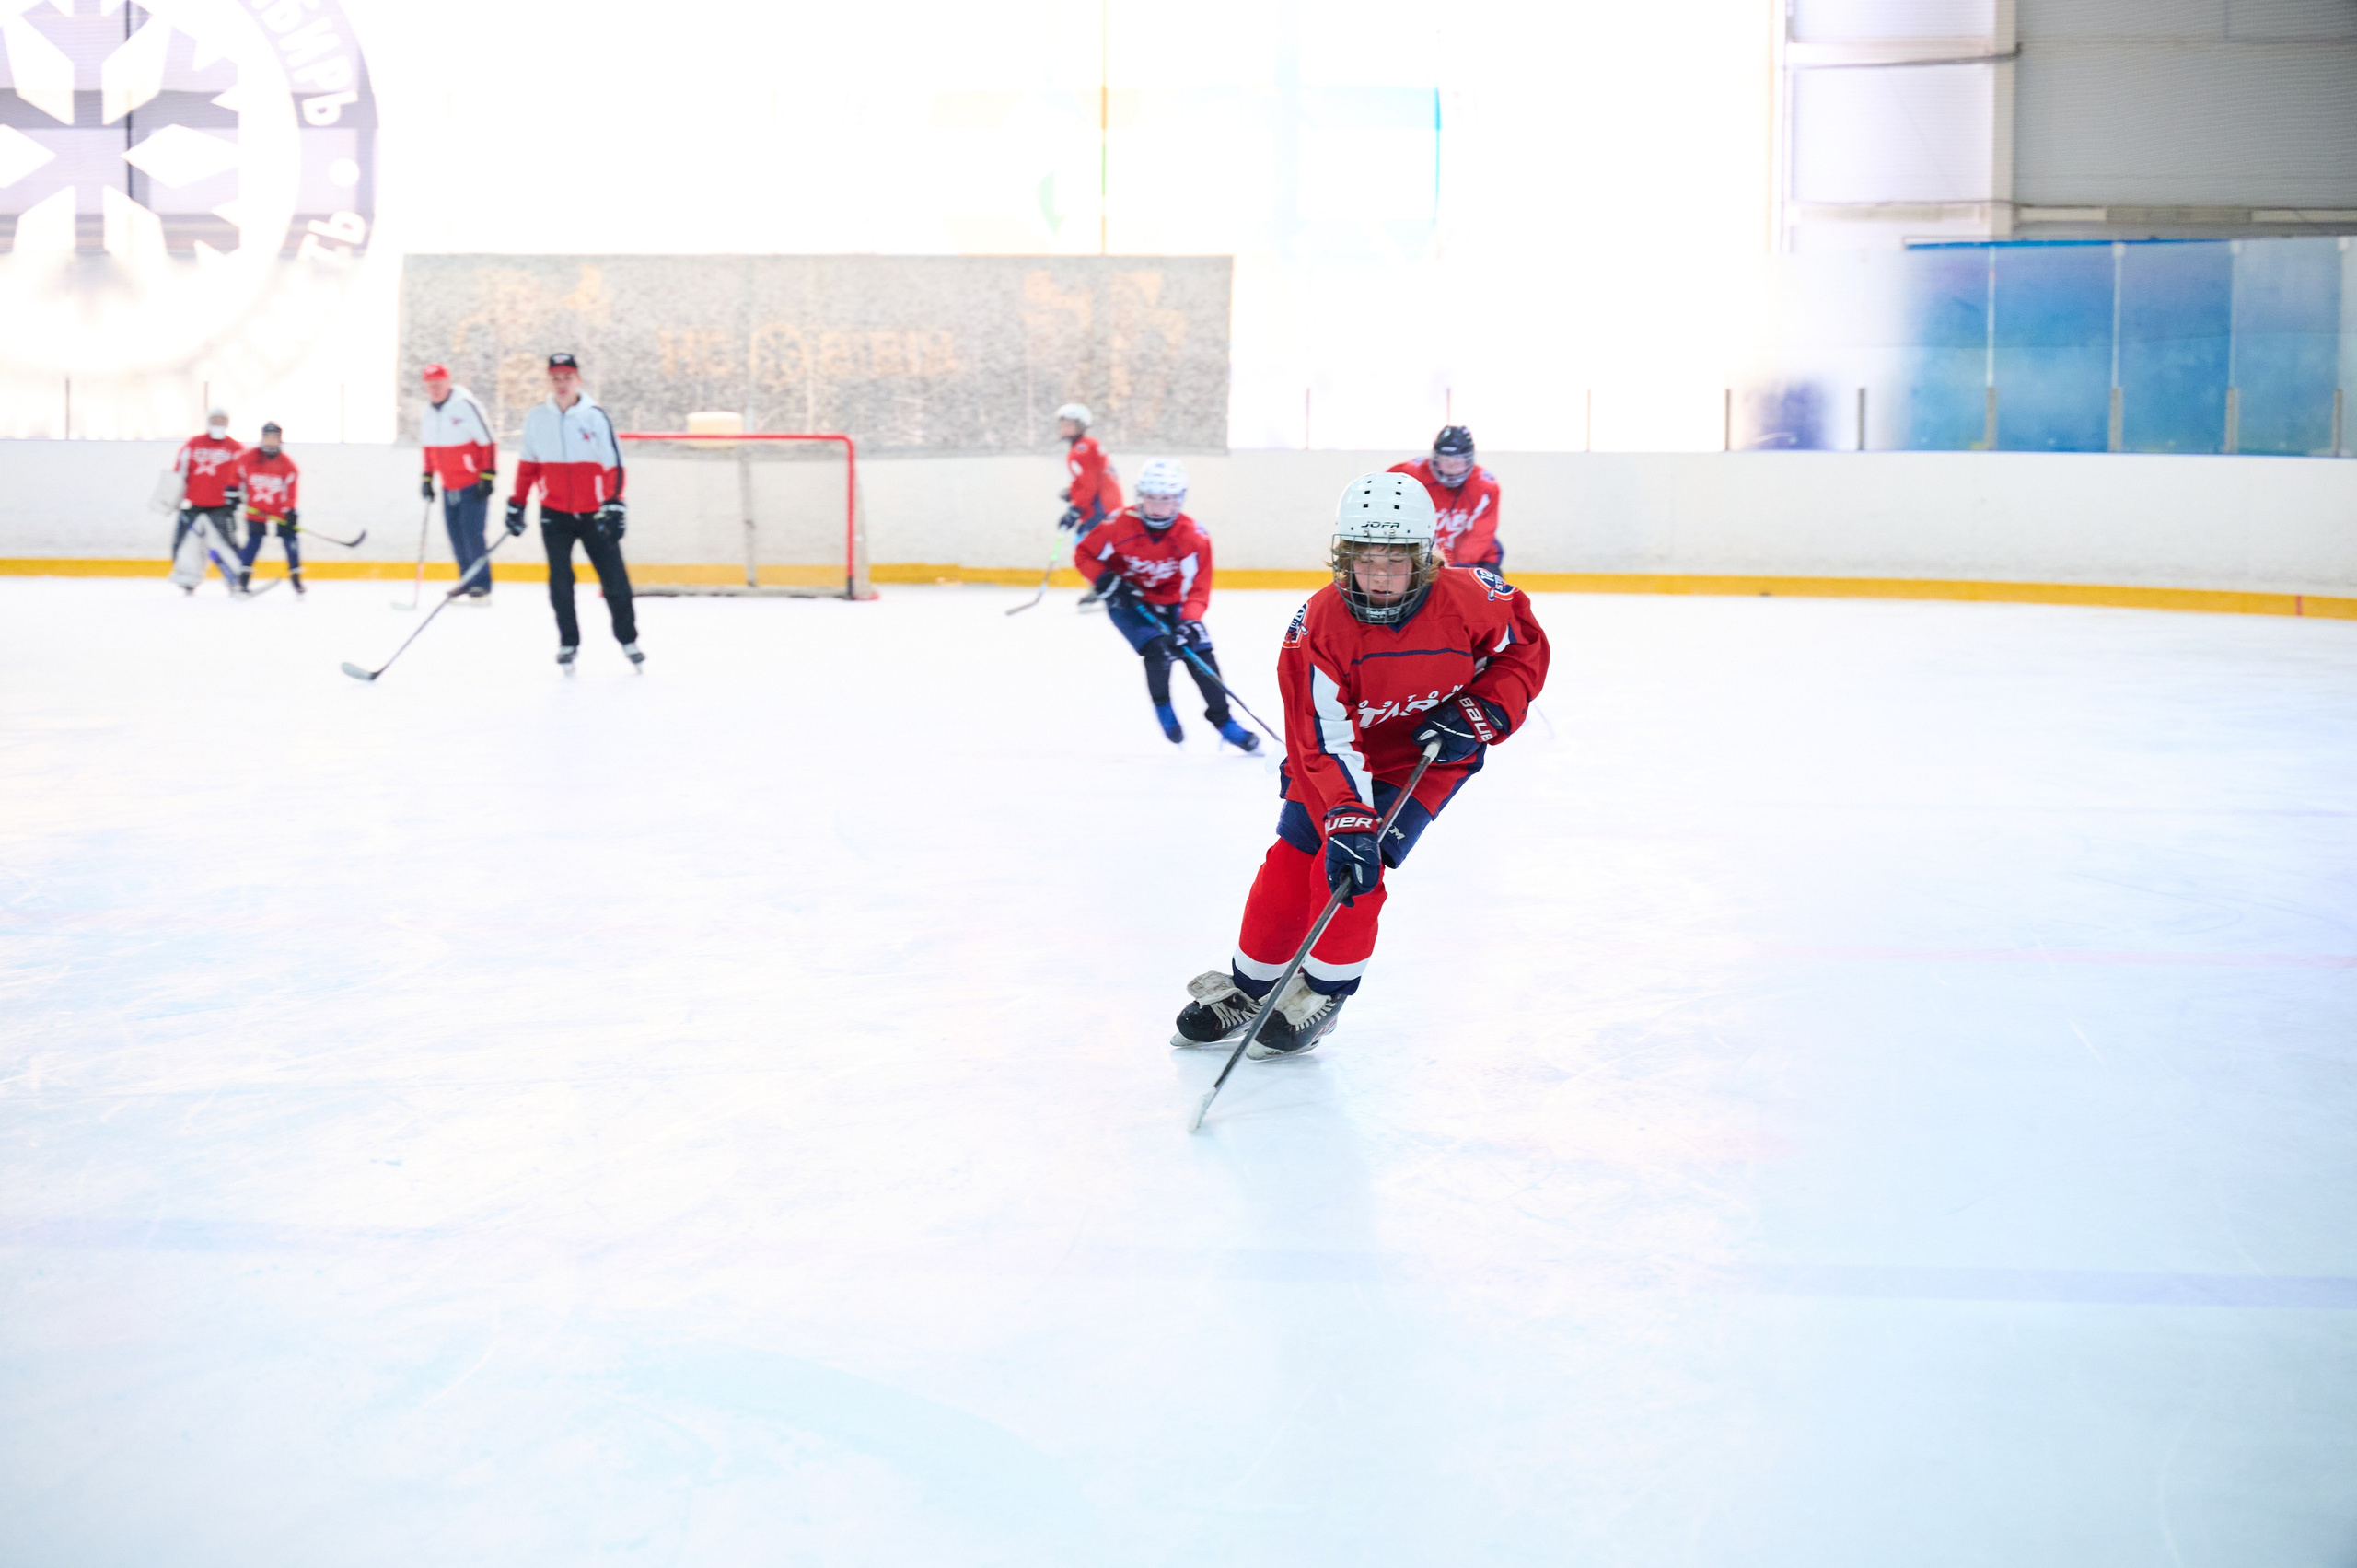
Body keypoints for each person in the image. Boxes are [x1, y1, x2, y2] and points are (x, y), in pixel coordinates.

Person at [1172, 472, 1549, 1057]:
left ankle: (1322, 991)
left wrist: (1480, 710)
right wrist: (1348, 814)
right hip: (1333, 755)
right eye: (1364, 561)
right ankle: (1250, 987)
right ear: (1343, 557)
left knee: (1354, 870)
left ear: (1424, 559)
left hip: (1426, 756)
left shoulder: (1475, 597)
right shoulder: (1317, 625)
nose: (1378, 577)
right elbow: (1318, 736)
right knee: (1297, 856)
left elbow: (1525, 648)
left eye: (1394, 563)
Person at [1075, 459, 1260, 752]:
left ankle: (1224, 722)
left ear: (1179, 500)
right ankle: (1164, 708)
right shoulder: (1117, 524)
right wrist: (1104, 580)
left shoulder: (1193, 537)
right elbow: (1084, 553)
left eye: (1166, 499)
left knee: (1202, 657)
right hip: (1128, 603)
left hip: (1174, 604)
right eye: (1151, 498)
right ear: (1140, 497)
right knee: (1157, 651)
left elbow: (1199, 588)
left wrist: (1190, 621)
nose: (1158, 506)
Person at [505, 353, 641, 669]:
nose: (562, 383)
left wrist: (614, 503)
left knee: (614, 580)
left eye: (567, 377)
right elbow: (528, 466)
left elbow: (614, 465)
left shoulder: (594, 416)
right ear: (549, 381)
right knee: (560, 582)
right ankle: (568, 642)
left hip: (594, 512)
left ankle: (628, 639)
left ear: (578, 380)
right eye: (556, 378)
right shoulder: (538, 417)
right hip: (555, 512)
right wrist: (517, 503)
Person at [417, 364, 500, 601]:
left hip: (472, 482)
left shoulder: (465, 405)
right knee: (456, 534)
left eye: (438, 384)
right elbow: (429, 448)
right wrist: (427, 477)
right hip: (448, 484)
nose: (434, 389)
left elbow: (488, 440)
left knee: (473, 534)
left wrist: (488, 475)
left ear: (447, 381)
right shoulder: (428, 413)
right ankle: (466, 579)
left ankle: (481, 584)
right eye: (430, 385)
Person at [1389, 424, 1504, 570]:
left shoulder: (1485, 486)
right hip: (1420, 560)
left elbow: (1480, 534)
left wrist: (1458, 569)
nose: (1451, 467)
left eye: (1457, 462)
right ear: (1435, 458)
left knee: (1490, 588)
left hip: (1474, 561)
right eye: (1446, 461)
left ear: (1468, 461)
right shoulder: (1408, 475)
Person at [169, 408, 247, 594]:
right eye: (215, 418)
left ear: (227, 423)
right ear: (208, 421)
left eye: (222, 419)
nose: (218, 422)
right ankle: (187, 579)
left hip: (222, 507)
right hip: (193, 505)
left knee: (227, 546)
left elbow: (244, 476)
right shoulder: (193, 444)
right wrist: (173, 498)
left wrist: (240, 497)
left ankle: (235, 580)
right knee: (188, 545)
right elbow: (180, 472)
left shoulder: (236, 448)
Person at [237, 422, 304, 595]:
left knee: (290, 539)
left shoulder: (287, 464)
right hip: (256, 508)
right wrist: (232, 491)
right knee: (254, 540)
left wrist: (290, 509)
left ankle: (296, 577)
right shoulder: (249, 457)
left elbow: (291, 489)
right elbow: (235, 474)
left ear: (280, 440)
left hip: (278, 510)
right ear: (262, 438)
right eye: (267, 437)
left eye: (275, 437)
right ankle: (243, 578)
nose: (271, 441)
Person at [1055, 402, 1121, 536]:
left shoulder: (1082, 450)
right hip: (1108, 505)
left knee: (1085, 546)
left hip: (1101, 508)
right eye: (1062, 424)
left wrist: (1075, 509)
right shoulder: (1088, 444)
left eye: (1069, 424)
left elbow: (1089, 485)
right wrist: (1072, 493)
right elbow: (1089, 478)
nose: (1064, 428)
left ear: (1081, 426)